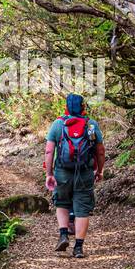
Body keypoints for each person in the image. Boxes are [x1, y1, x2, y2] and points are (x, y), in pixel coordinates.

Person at [44, 93, 105, 257]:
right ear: (83, 107)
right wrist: (99, 170)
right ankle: (78, 247)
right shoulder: (91, 125)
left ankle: (63, 234)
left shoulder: (58, 124)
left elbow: (49, 151)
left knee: (62, 203)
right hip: (85, 172)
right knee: (82, 210)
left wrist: (49, 174)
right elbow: (99, 151)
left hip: (62, 172)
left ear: (66, 107)